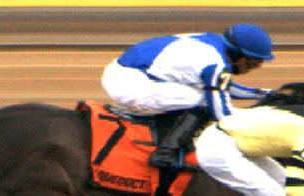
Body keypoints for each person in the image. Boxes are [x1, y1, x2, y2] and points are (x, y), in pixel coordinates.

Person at [102, 23, 275, 171]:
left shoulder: (214, 46)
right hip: (129, 85)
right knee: (205, 101)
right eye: (252, 64)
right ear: (238, 56)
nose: (250, 70)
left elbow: (222, 86)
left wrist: (265, 93)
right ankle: (166, 152)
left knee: (201, 95)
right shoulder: (215, 63)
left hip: (127, 72)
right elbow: (221, 113)